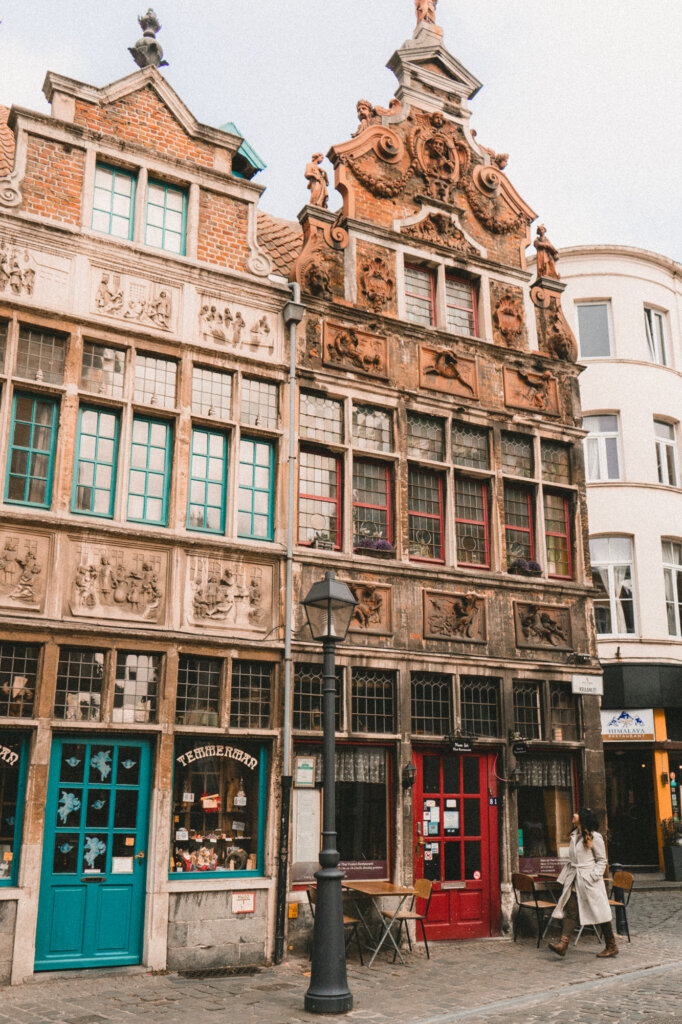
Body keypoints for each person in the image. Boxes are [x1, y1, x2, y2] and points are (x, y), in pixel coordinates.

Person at [547, 807, 618, 958]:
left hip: (589, 880)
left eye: (577, 813)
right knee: (571, 910)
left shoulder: (595, 837)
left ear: (583, 818)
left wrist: (593, 876)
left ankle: (611, 945)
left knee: (599, 912)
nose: (574, 814)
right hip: (574, 878)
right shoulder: (575, 835)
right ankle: (563, 944)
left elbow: (602, 860)